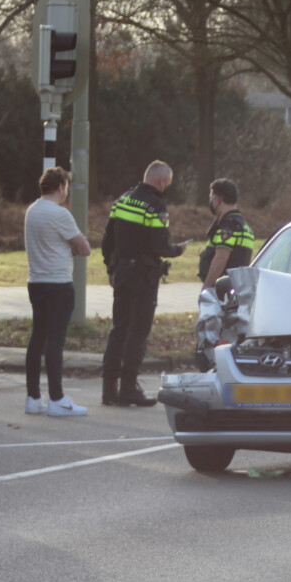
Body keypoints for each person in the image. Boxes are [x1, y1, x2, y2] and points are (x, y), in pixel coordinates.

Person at [101, 160, 188, 406]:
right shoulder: (156, 206)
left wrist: (111, 267)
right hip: (143, 276)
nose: (166, 188)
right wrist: (177, 250)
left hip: (122, 272)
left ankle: (109, 390)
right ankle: (129, 388)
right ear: (161, 181)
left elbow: (108, 239)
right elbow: (159, 245)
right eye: (167, 183)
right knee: (138, 331)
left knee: (118, 329)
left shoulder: (122, 200)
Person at [24, 166, 91, 417]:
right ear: (61, 187)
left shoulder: (31, 211)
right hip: (58, 284)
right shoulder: (60, 214)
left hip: (36, 280)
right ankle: (57, 398)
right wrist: (71, 247)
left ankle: (33, 397)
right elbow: (83, 247)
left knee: (37, 338)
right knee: (55, 341)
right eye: (67, 187)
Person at [198, 178, 255, 290]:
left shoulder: (228, 226)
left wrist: (207, 287)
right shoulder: (243, 225)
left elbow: (221, 258)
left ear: (217, 200)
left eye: (211, 198)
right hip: (236, 288)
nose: (210, 201)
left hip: (222, 289)